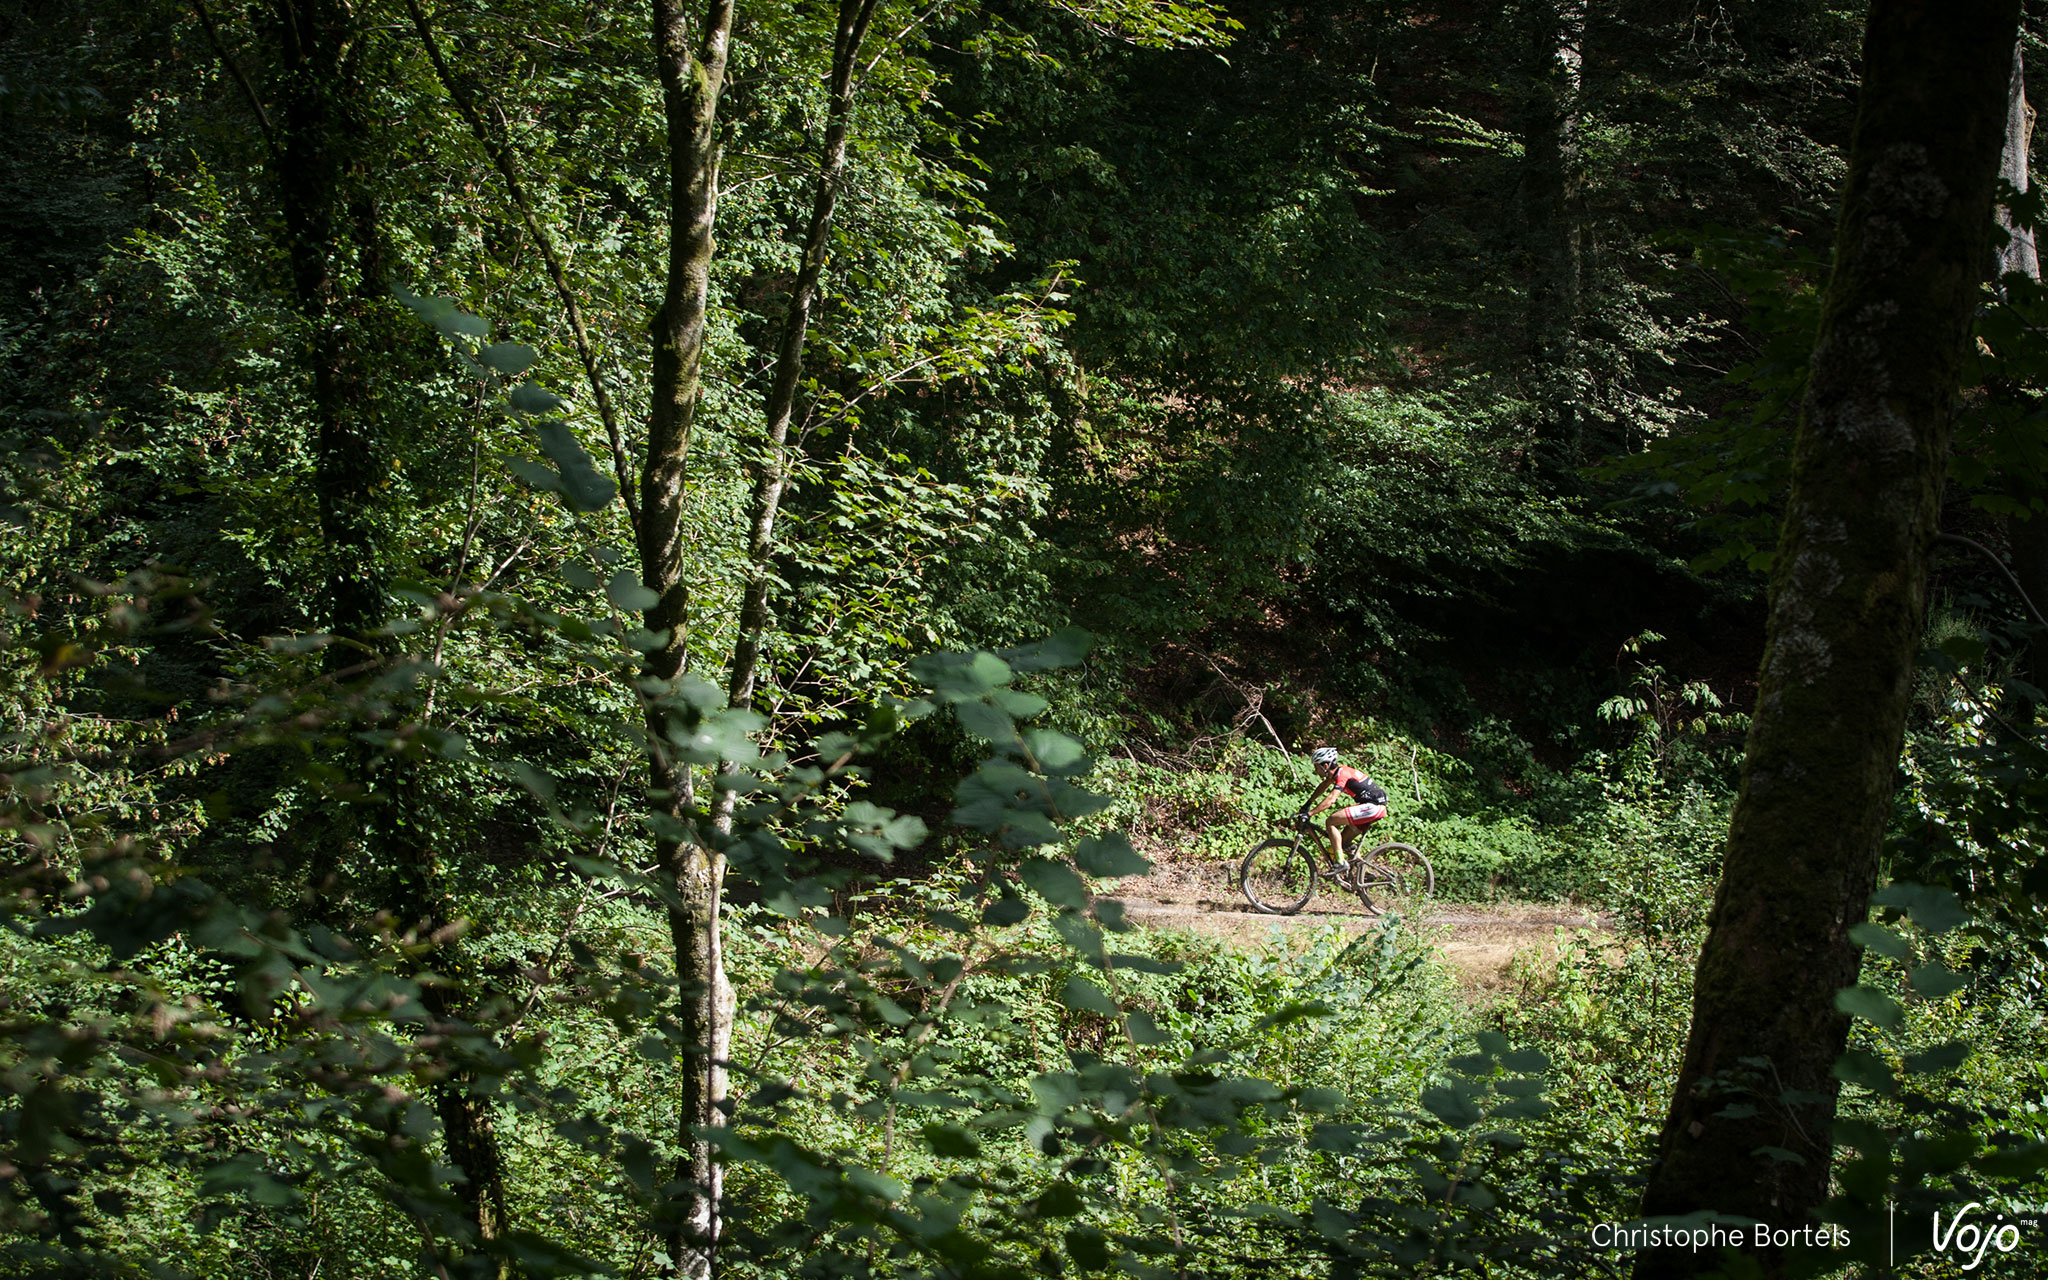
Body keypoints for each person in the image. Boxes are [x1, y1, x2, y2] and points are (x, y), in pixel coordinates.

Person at [1303, 746, 1388, 870]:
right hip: (1373, 807)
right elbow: (1324, 785)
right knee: (1342, 843)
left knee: (1331, 821)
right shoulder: (1337, 773)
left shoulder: (1342, 775)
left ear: (1325, 766)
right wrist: (1308, 803)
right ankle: (1363, 875)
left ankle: (1341, 863)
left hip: (1373, 806)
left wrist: (1310, 813)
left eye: (1316, 767)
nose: (1315, 770)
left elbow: (1331, 800)